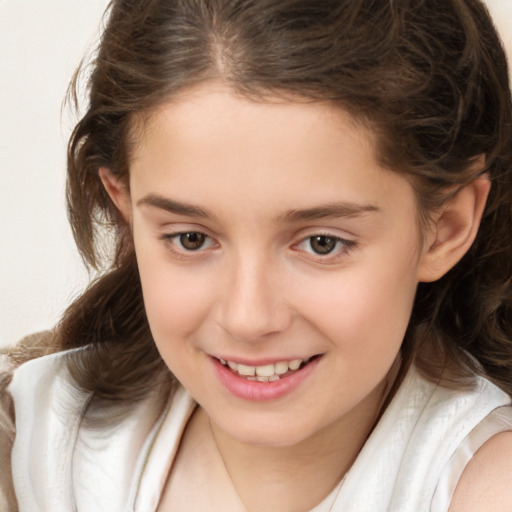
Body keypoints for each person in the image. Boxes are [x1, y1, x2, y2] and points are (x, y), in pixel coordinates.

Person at [2, 0, 512, 510]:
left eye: (322, 243)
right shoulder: (33, 441)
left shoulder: (485, 484)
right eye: (191, 239)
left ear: (445, 227)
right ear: (126, 208)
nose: (248, 318)